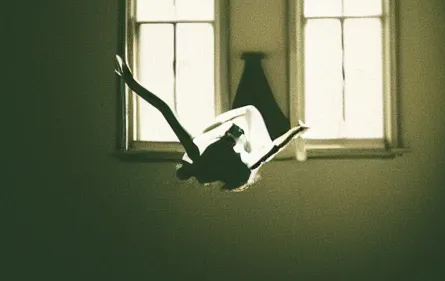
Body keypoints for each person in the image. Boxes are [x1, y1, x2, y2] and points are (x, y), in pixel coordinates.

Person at [115, 55, 308, 190]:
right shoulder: (248, 162)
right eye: (236, 153)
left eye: (230, 150)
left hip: (241, 126)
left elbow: (165, 110)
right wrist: (298, 130)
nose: (235, 150)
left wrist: (132, 84)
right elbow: (276, 146)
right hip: (248, 125)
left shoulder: (196, 151)